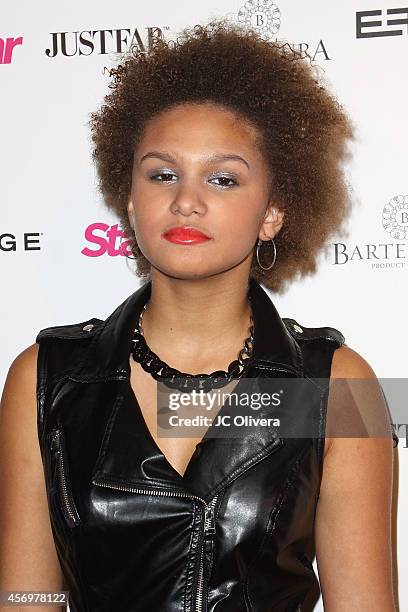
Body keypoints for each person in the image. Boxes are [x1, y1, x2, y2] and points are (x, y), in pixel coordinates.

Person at [0, 17, 398, 612]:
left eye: (223, 178)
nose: (186, 199)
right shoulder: (47, 378)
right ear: (131, 202)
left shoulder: (339, 387)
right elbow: (26, 598)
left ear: (272, 213)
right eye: (162, 174)